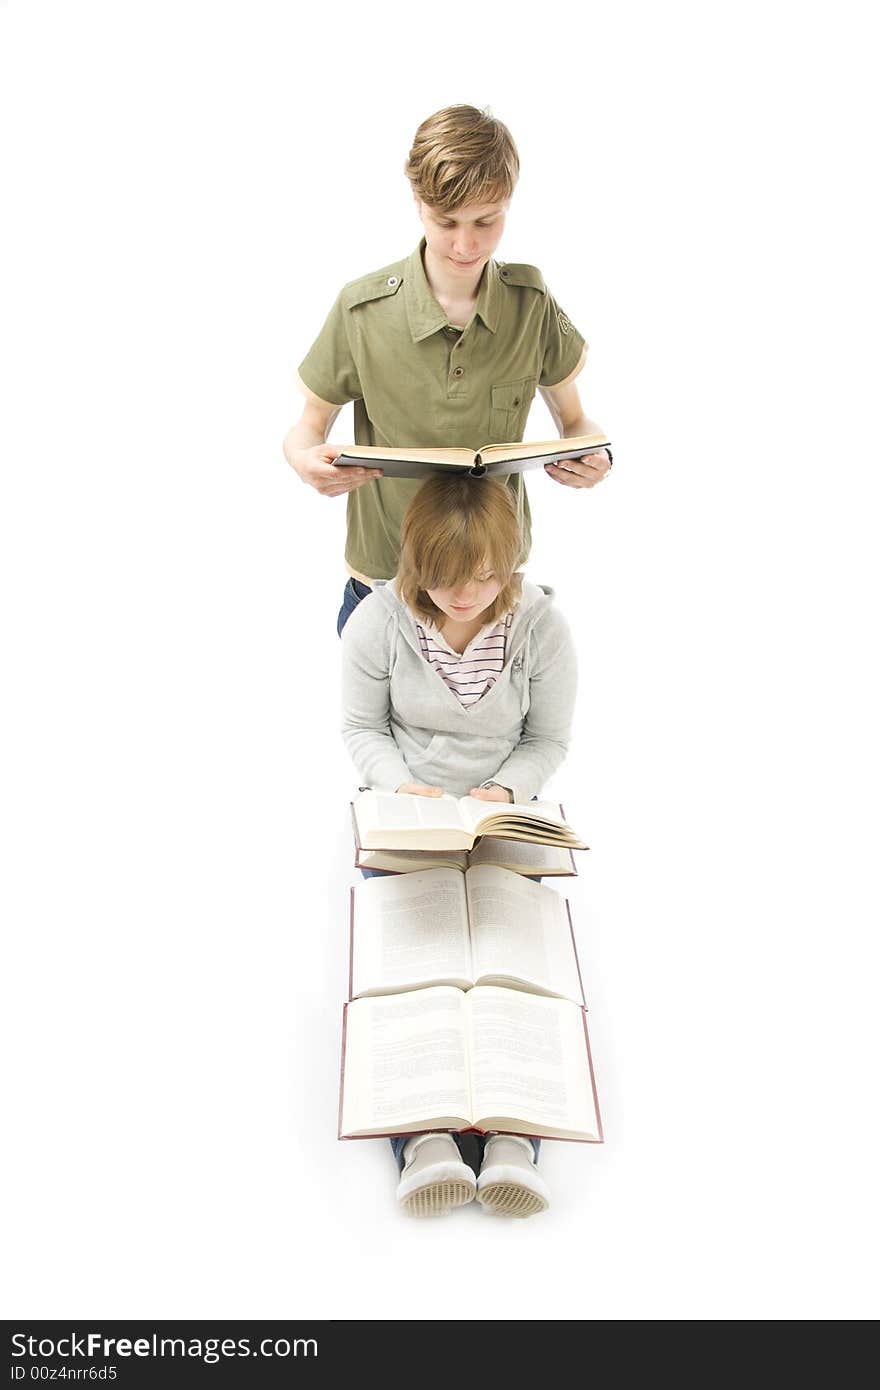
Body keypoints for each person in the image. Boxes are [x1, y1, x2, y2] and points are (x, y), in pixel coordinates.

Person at [341, 472, 577, 1217]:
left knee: (511, 971)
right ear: (416, 566)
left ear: (507, 563)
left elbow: (546, 739)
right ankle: (427, 1146)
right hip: (409, 811)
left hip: (503, 816)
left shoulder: (541, 626)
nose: (464, 597)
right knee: (418, 971)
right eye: (444, 581)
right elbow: (361, 730)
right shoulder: (377, 621)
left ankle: (513, 1143)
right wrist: (403, 790)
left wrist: (504, 793)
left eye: (482, 577)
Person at [282, 104, 611, 634]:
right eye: (446, 222)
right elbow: (306, 429)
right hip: (386, 586)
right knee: (369, 721)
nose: (466, 245)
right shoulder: (361, 310)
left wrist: (589, 456)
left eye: (486, 221)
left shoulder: (530, 303)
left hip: (493, 589)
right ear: (418, 203)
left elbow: (576, 423)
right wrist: (305, 462)